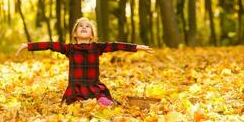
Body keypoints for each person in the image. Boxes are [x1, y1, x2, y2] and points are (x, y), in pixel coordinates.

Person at [16, 17, 153, 106]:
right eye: (80, 26)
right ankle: (86, 104)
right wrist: (28, 45)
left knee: (105, 103)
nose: (84, 27)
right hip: (76, 89)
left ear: (92, 35)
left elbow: (116, 45)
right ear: (75, 34)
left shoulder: (97, 47)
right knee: (78, 106)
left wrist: (136, 47)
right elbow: (50, 44)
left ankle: (102, 103)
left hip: (94, 88)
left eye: (87, 26)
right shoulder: (69, 48)